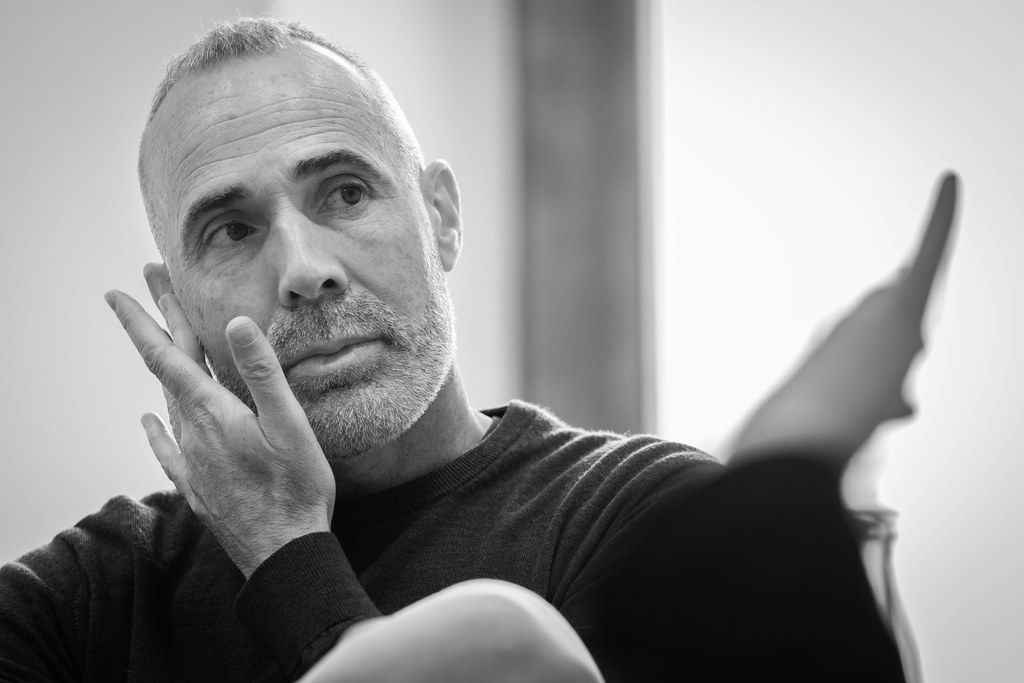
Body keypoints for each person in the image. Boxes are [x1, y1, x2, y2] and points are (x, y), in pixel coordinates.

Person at [0, 17, 957, 682]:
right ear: (175, 305)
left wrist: (289, 558)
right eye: (232, 230)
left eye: (345, 192)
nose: (305, 270)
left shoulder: (639, 519)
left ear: (443, 219)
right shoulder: (91, 595)